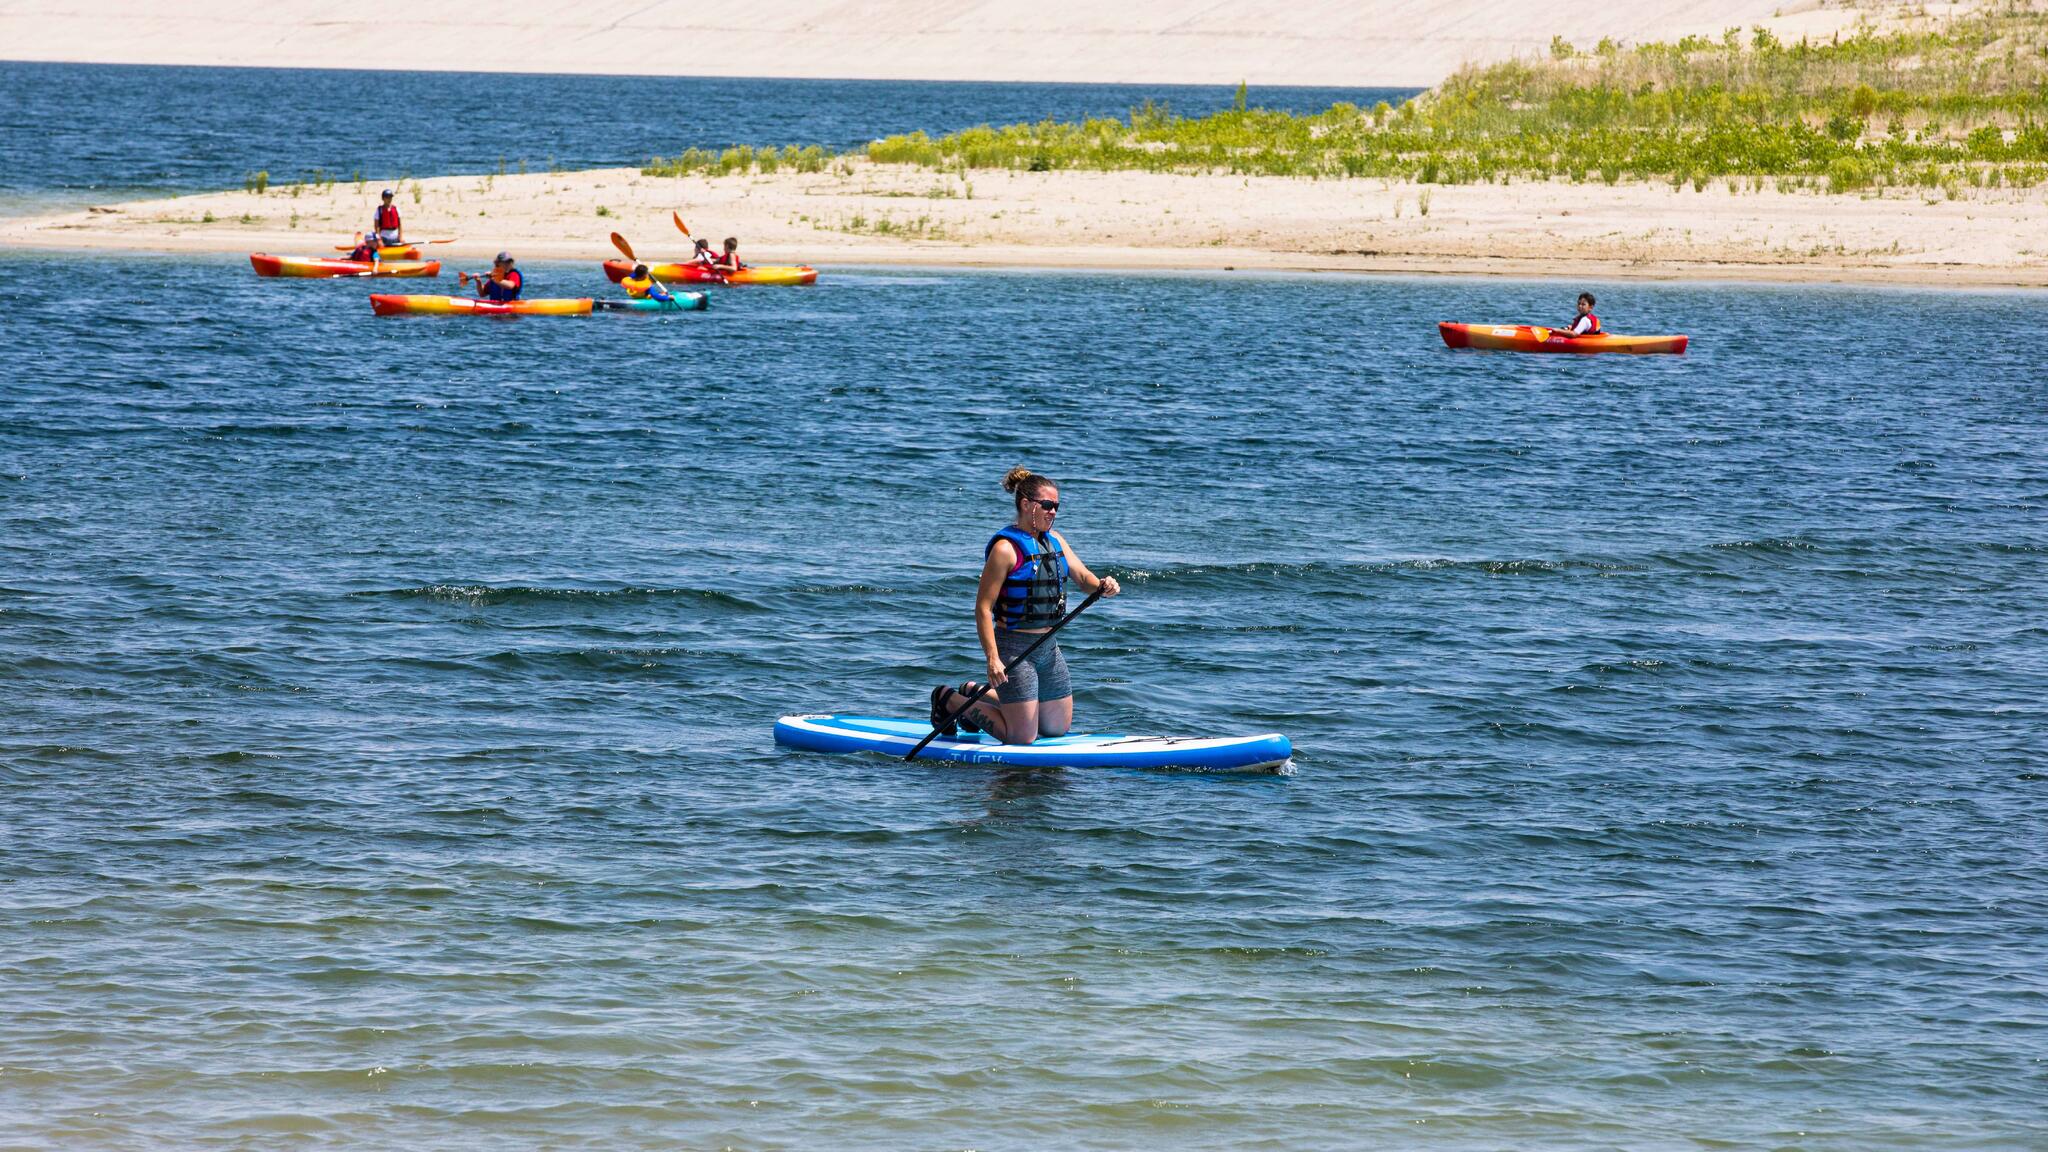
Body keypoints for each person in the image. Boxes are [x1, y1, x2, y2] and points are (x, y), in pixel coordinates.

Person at [929, 467, 1121, 745]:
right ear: (1026, 504)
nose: (1053, 512)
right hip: (1014, 649)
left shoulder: (1056, 542)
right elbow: (983, 608)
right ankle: (947, 699)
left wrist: (1103, 585)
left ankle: (975, 692)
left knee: (1055, 728)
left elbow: (1083, 578)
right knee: (1022, 737)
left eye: (1057, 506)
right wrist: (992, 659)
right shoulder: (1006, 549)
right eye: (1047, 505)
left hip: (1048, 648)